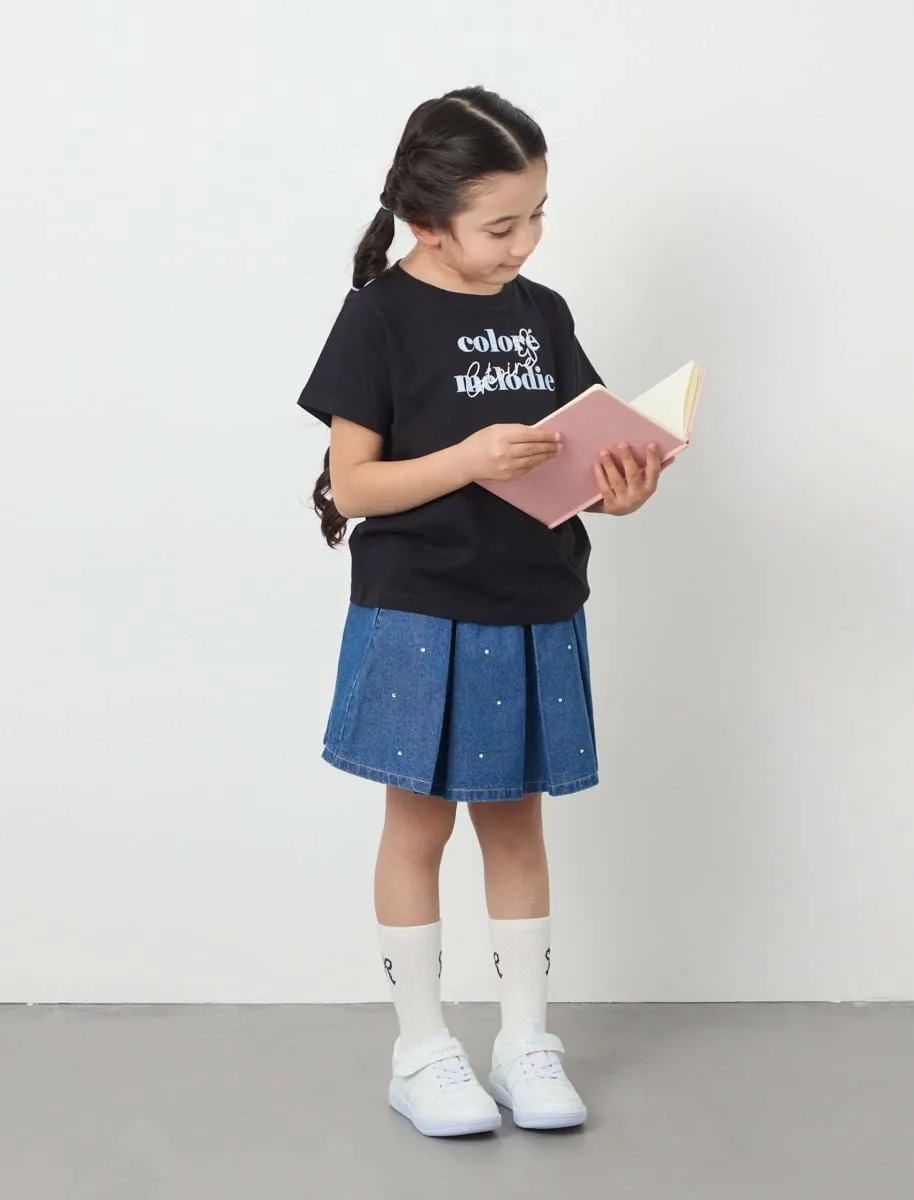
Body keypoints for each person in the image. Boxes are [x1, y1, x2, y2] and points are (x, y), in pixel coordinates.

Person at [297, 85, 666, 1138]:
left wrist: (621, 487)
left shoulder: (541, 313)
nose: (526, 243)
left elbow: (582, 447)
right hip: (418, 608)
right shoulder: (379, 318)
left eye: (538, 215)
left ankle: (524, 1042)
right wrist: (465, 458)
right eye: (502, 226)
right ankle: (421, 1050)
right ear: (426, 221)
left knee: (516, 821)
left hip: (534, 599)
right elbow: (354, 486)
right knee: (418, 826)